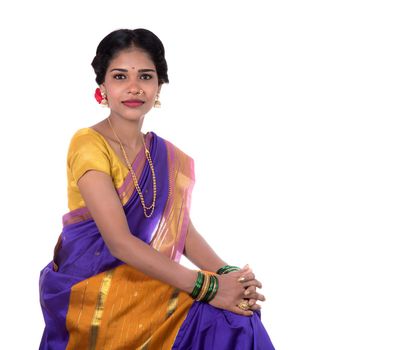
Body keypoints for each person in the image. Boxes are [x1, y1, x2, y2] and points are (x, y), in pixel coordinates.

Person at [39, 28, 275, 349]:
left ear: (159, 86)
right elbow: (120, 243)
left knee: (241, 313)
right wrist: (209, 287)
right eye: (120, 76)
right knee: (221, 318)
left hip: (145, 278)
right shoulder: (89, 144)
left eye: (145, 77)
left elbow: (182, 230)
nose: (134, 87)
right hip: (94, 289)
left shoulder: (163, 155)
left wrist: (230, 276)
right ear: (102, 86)